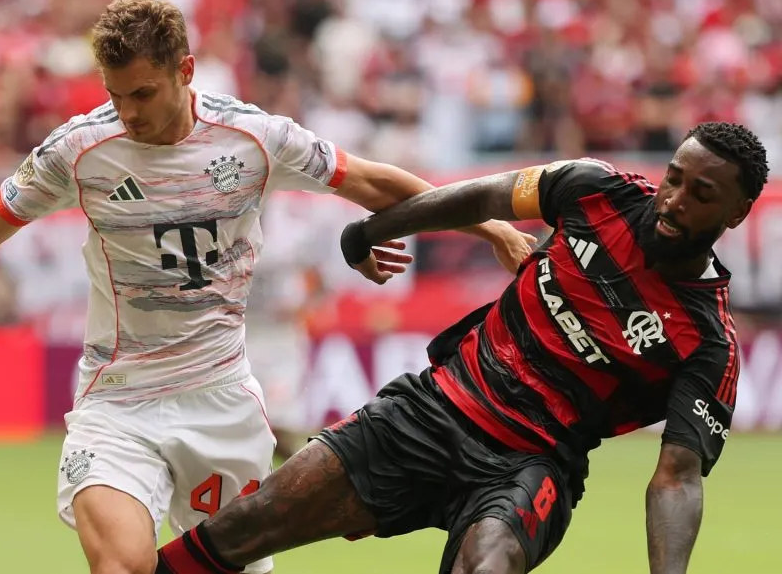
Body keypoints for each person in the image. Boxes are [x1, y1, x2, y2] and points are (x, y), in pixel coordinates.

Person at [0, 0, 536, 574]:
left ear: (186, 70)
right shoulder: (78, 149)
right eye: (116, 94)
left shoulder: (255, 137)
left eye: (144, 93)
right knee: (121, 563)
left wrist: (490, 225)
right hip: (116, 402)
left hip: (220, 402)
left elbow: (374, 181)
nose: (128, 112)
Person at [154, 121, 768, 574]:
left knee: (487, 569)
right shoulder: (593, 190)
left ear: (738, 211)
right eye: (676, 179)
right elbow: (484, 197)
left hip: (530, 465)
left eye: (702, 195)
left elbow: (677, 478)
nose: (676, 200)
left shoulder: (708, 343)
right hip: (433, 408)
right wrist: (372, 228)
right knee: (241, 528)